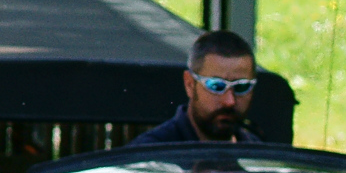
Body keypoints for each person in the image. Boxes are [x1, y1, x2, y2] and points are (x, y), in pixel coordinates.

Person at [118, 29, 295, 151]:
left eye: (241, 87)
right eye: (216, 86)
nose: (229, 101)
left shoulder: (258, 156)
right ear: (189, 84)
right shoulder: (151, 154)